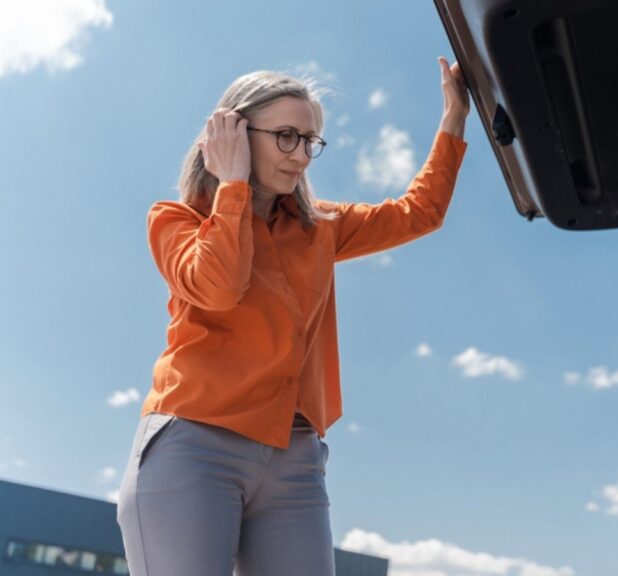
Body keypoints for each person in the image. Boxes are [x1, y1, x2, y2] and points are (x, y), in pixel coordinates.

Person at [116, 57, 470, 576]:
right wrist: (232, 184)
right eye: (286, 136)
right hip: (194, 447)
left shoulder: (320, 227)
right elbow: (218, 287)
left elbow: (419, 213)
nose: (302, 155)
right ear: (233, 131)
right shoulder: (175, 220)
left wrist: (454, 117)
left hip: (296, 459)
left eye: (310, 140)